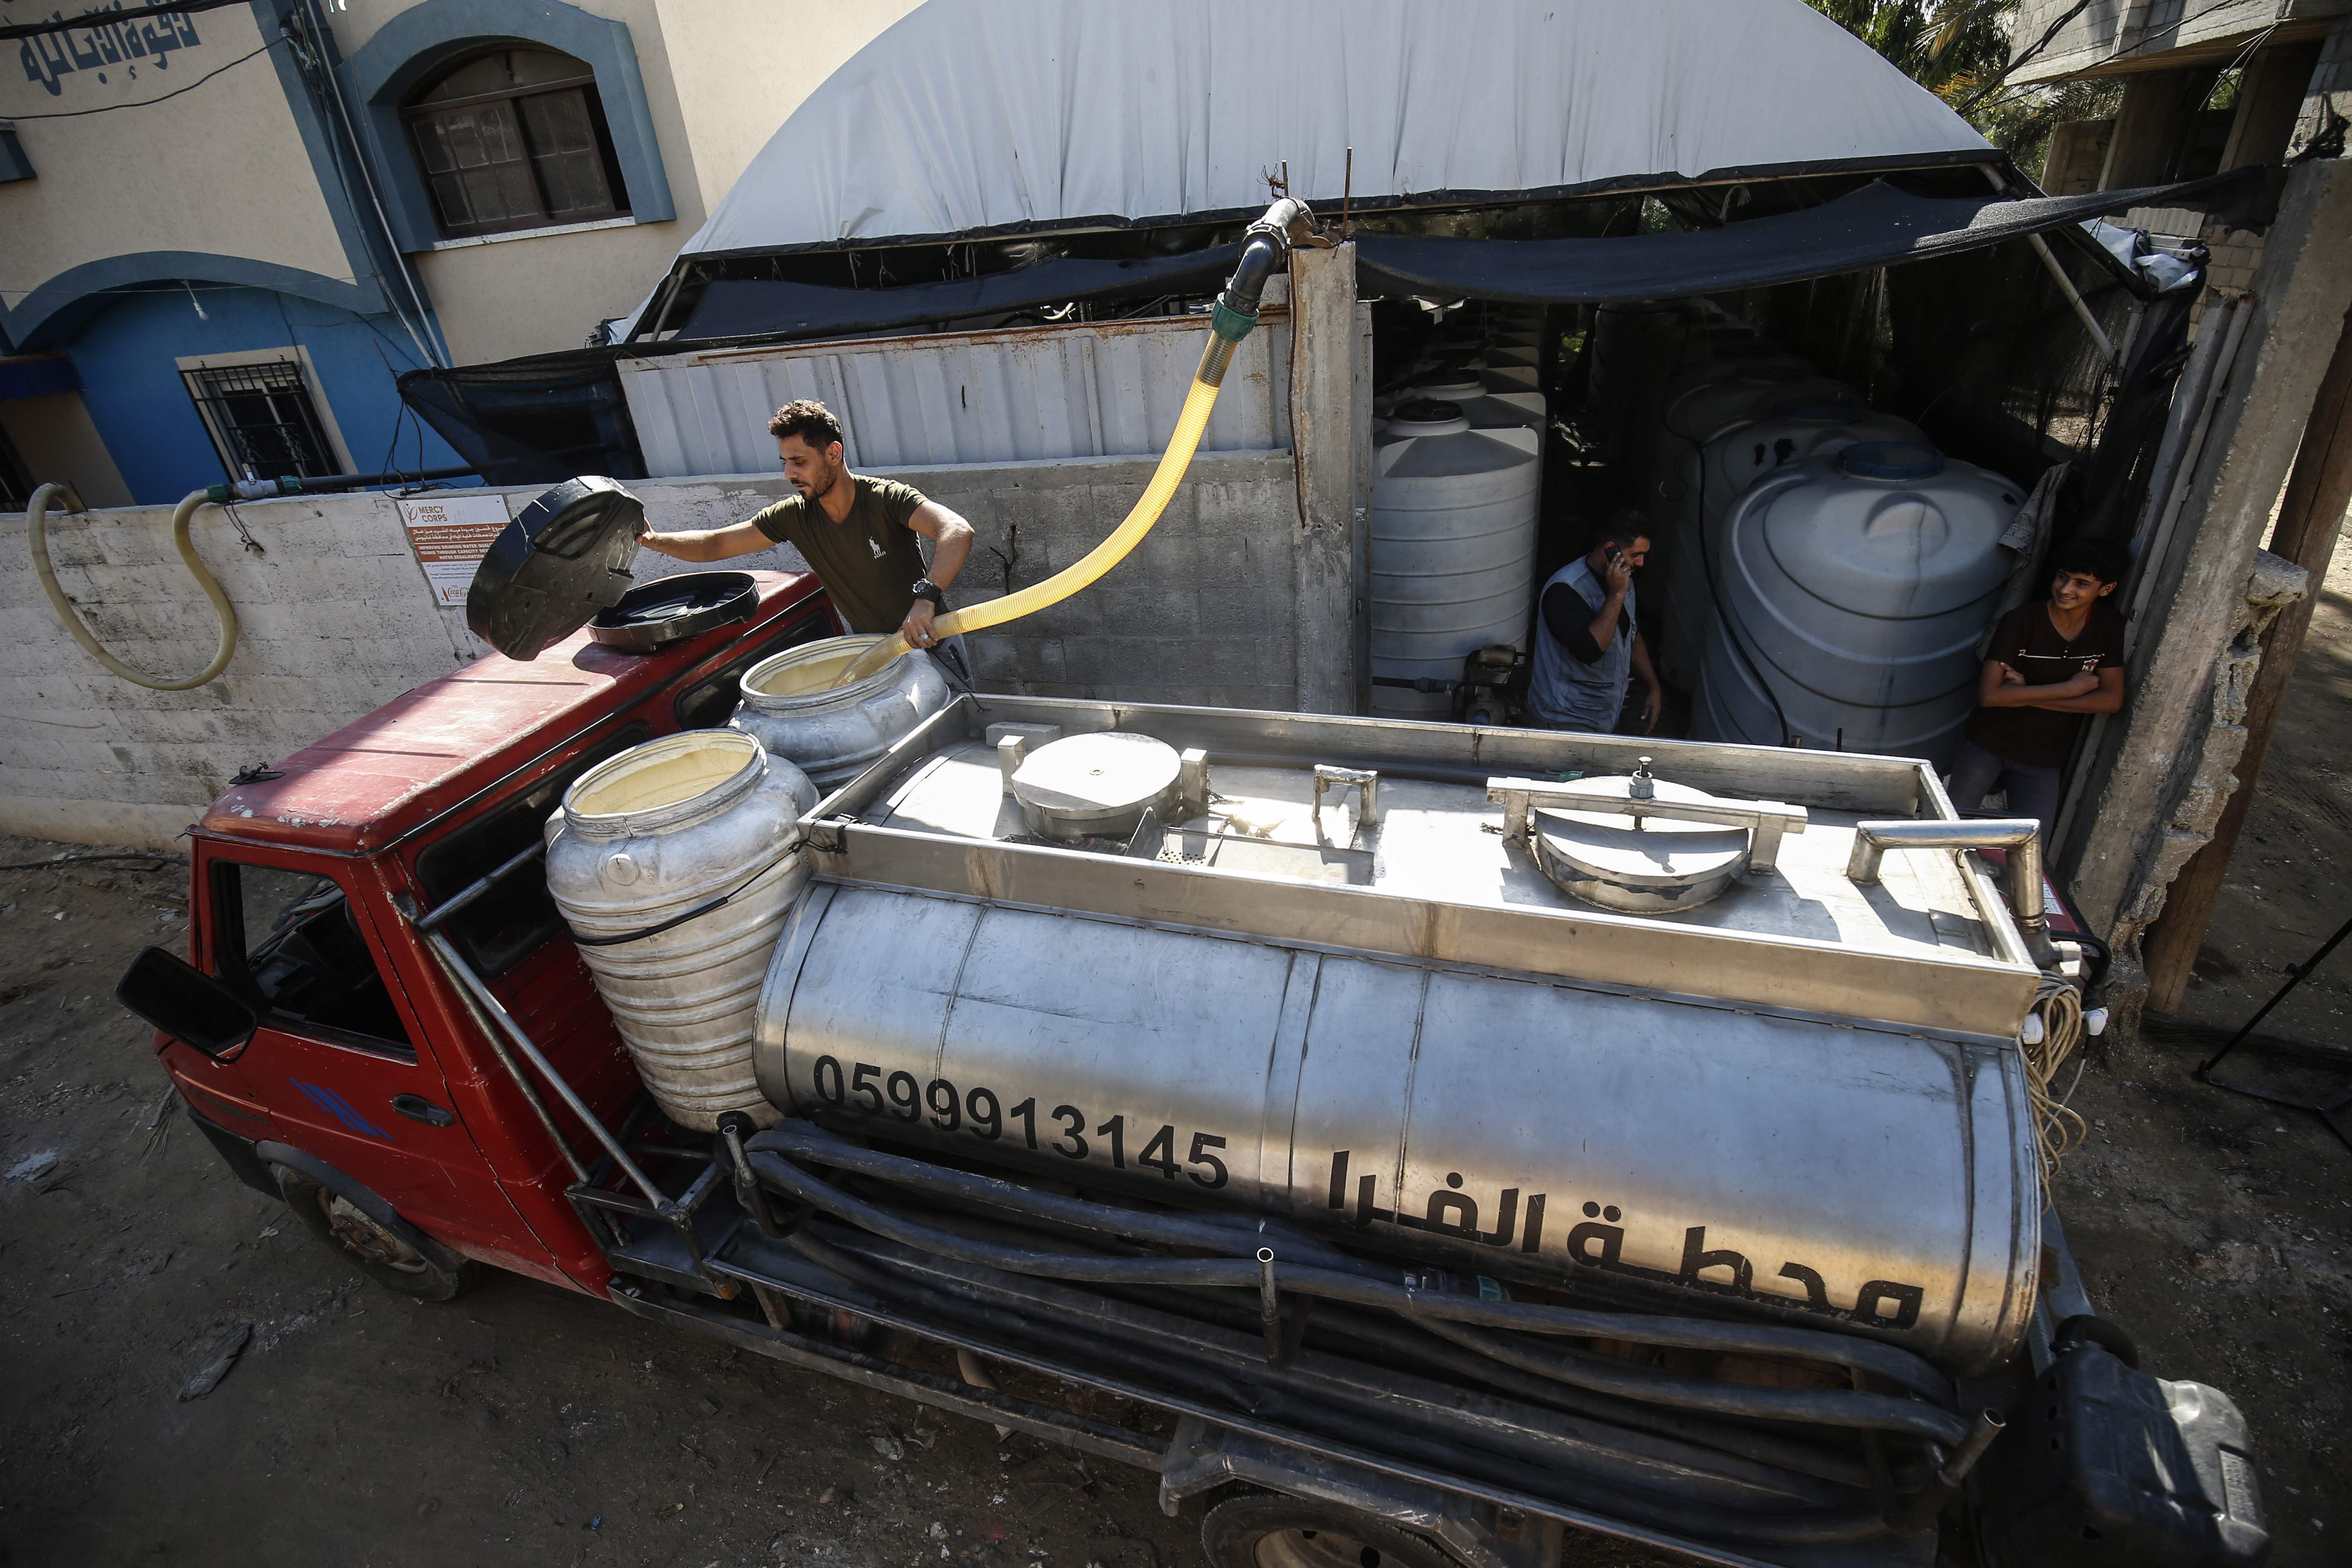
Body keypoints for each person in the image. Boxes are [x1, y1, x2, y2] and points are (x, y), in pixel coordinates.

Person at [636, 399, 975, 654]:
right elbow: (717, 545)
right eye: (785, 463)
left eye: (799, 462)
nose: (789, 474)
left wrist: (926, 599)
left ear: (833, 454)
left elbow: (957, 531)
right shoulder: (794, 517)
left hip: (931, 640)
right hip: (873, 652)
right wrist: (653, 540)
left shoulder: (886, 499)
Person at [1947, 537, 2130, 840]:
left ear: (2106, 589)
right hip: (1987, 745)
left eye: (2082, 583)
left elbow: (2112, 700)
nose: (2066, 589)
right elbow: (1991, 696)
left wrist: (2023, 695)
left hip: (2044, 758)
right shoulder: (2021, 622)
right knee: (1948, 832)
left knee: (2032, 852)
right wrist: (2071, 689)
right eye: (2062, 577)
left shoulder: (2108, 626)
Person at [1526, 513, 1662, 734]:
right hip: (1564, 720)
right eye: (1636, 554)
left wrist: (1653, 687)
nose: (1641, 562)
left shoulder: (1624, 579)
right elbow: (1590, 650)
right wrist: (1617, 595)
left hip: (1602, 716)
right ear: (1611, 548)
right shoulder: (1565, 590)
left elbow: (1631, 635)